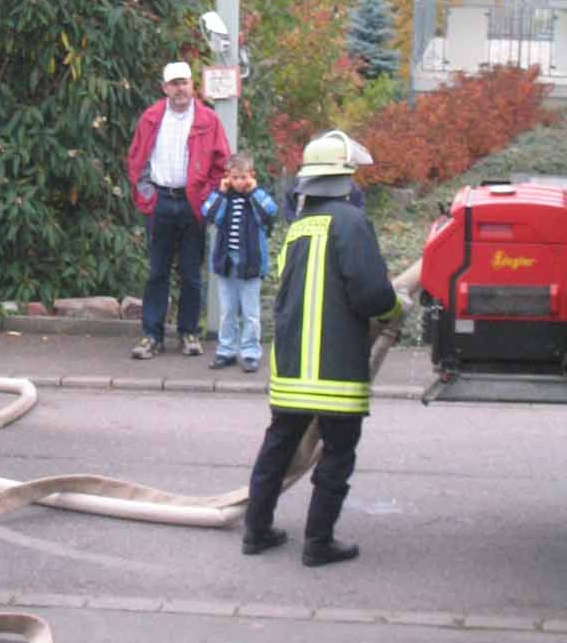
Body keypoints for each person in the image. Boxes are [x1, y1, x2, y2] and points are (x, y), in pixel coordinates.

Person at [242, 130, 405, 566]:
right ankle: (318, 543)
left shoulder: (297, 229)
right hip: (336, 370)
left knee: (278, 447)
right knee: (337, 453)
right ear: (343, 177)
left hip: (292, 368)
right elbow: (371, 294)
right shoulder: (351, 223)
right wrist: (395, 309)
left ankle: (255, 530)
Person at [126, 61, 230, 359]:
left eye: (184, 82)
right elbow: (136, 159)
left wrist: (206, 198)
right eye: (174, 84)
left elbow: (221, 164)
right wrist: (147, 197)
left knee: (191, 273)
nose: (180, 88)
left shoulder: (209, 120)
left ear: (192, 85)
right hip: (159, 202)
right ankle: (151, 336)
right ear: (165, 88)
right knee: (157, 272)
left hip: (192, 204)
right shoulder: (150, 118)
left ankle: (189, 333)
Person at [201, 152, 277, 373]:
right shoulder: (224, 197)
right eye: (235, 177)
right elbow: (209, 214)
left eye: (244, 177)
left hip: (250, 264)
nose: (239, 182)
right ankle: (226, 350)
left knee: (250, 313)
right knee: (228, 311)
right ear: (227, 177)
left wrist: (253, 191)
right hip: (227, 263)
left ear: (252, 175)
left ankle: (251, 353)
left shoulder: (257, 196)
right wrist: (221, 192)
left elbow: (269, 213)